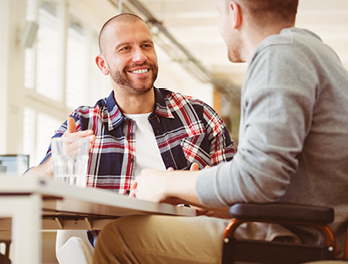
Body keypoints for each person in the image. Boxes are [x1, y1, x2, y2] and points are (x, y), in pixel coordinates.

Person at [92, 0, 348, 264]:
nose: (219, 25)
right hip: (320, 245)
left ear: (234, 11)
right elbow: (272, 178)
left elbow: (257, 179)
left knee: (118, 243)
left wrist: (166, 182)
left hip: (292, 254)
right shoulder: (317, 53)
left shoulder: (279, 55)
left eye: (217, 14)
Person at [26, 13, 235, 245]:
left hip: (190, 254)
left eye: (146, 45)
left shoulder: (200, 116)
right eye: (125, 48)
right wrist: (54, 164)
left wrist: (204, 200)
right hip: (112, 258)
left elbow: (241, 201)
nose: (140, 56)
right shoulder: (83, 123)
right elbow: (26, 190)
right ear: (103, 64)